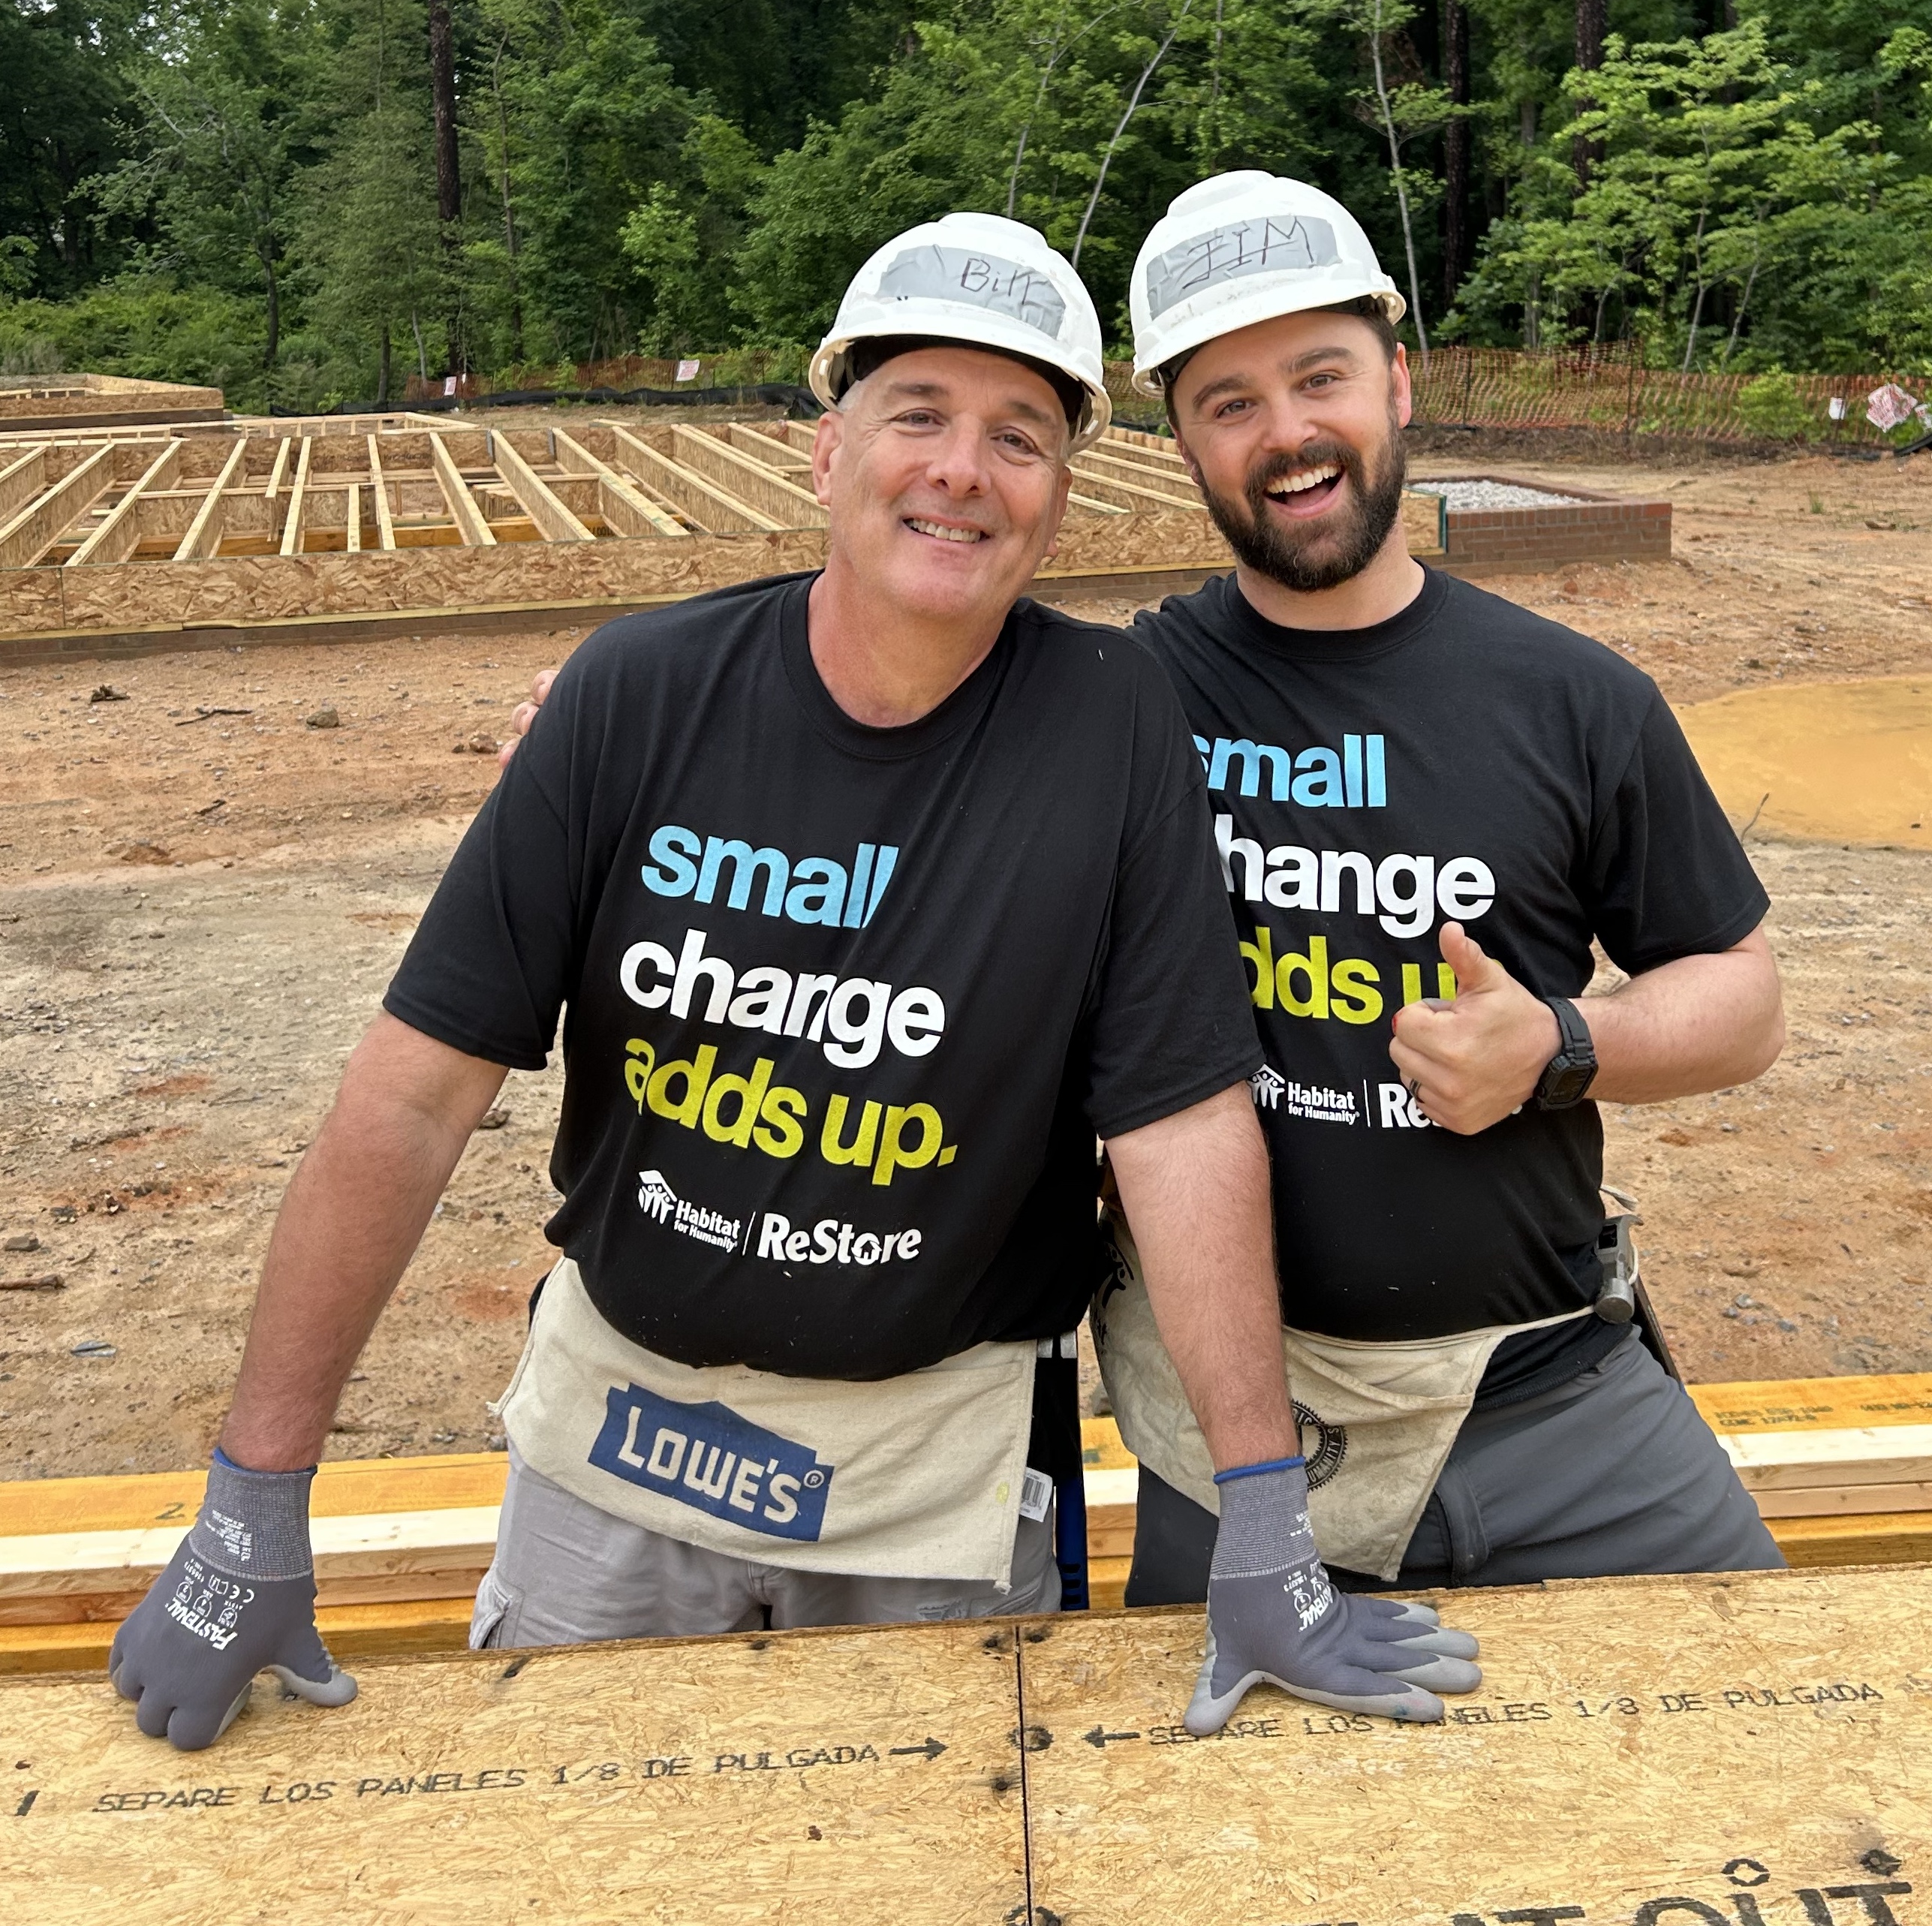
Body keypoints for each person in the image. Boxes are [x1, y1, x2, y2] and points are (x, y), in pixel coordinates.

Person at [107, 212, 1482, 1755]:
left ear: (1059, 497)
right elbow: (414, 1096)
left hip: (930, 1484)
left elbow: (1177, 1127)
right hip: (613, 1457)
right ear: (827, 456)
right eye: (920, 416)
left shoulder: (1110, 729)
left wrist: (1261, 1518)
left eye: (1018, 434)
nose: (963, 467)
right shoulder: (636, 695)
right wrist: (252, 1494)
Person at [506, 172, 1786, 1609]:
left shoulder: (1572, 700)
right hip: (1225, 1429)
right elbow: (865, 724)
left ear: (1399, 382)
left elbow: (1742, 998)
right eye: (1228, 401)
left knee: (1802, 1720)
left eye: (1321, 377)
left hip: (1552, 1388)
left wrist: (1563, 1044)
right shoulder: (1112, 706)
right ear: (1178, 442)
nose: (1287, 432)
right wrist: (630, 732)